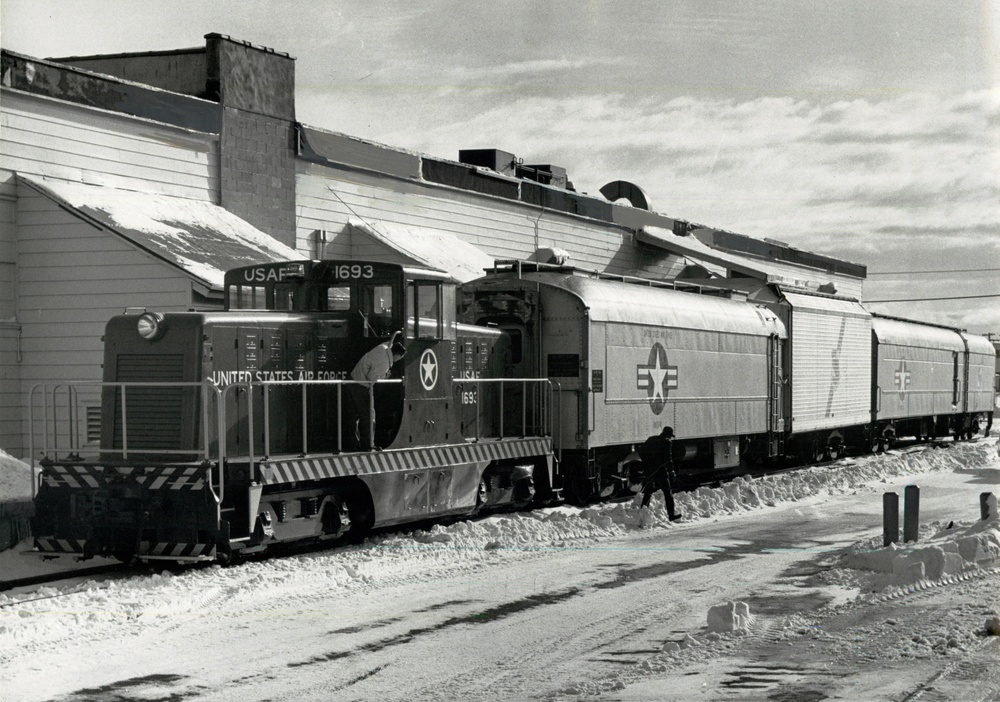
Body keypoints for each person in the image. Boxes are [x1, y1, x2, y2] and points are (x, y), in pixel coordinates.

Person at [347, 331, 405, 449]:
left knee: (354, 416)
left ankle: (354, 444)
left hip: (353, 380)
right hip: (361, 385)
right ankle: (368, 445)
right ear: (398, 356)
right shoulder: (384, 363)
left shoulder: (383, 348)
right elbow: (371, 378)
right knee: (368, 416)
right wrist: (385, 376)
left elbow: (390, 343)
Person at [637, 426, 682, 521]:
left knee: (648, 491)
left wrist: (647, 462)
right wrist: (671, 471)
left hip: (649, 469)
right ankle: (671, 514)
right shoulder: (667, 443)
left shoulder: (651, 439)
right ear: (668, 436)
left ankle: (643, 512)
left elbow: (641, 451)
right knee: (667, 492)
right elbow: (668, 459)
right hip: (661, 471)